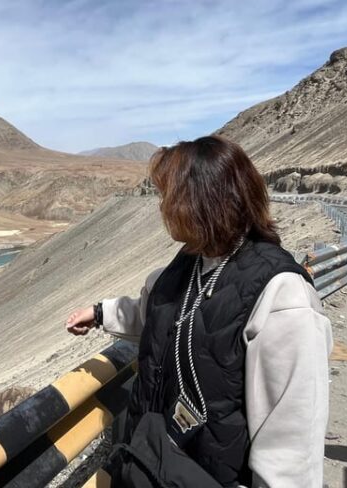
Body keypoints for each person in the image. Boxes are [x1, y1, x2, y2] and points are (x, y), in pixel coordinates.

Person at [65, 135, 332, 488]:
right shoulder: (190, 264)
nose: (162, 208)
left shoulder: (282, 297)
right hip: (156, 466)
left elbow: (292, 440)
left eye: (168, 197)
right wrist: (99, 313)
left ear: (201, 200)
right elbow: (156, 314)